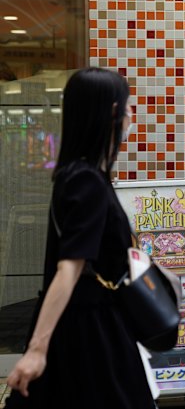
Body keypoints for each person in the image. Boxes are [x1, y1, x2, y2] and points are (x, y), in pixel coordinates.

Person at [5, 67, 156, 409]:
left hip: (86, 327)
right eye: (128, 105)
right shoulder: (86, 181)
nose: (132, 115)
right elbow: (68, 269)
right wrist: (37, 349)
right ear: (113, 112)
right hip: (91, 333)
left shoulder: (84, 176)